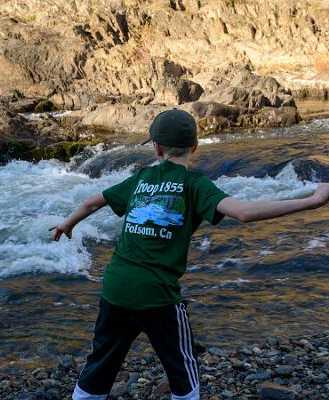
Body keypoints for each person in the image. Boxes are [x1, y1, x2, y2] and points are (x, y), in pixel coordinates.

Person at [50, 109, 329, 400]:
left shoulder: (141, 178)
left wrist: (67, 223)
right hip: (157, 293)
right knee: (182, 370)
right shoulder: (195, 184)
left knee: (100, 363)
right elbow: (244, 212)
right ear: (194, 147)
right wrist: (312, 201)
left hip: (115, 285)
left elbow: (92, 203)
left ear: (157, 148)